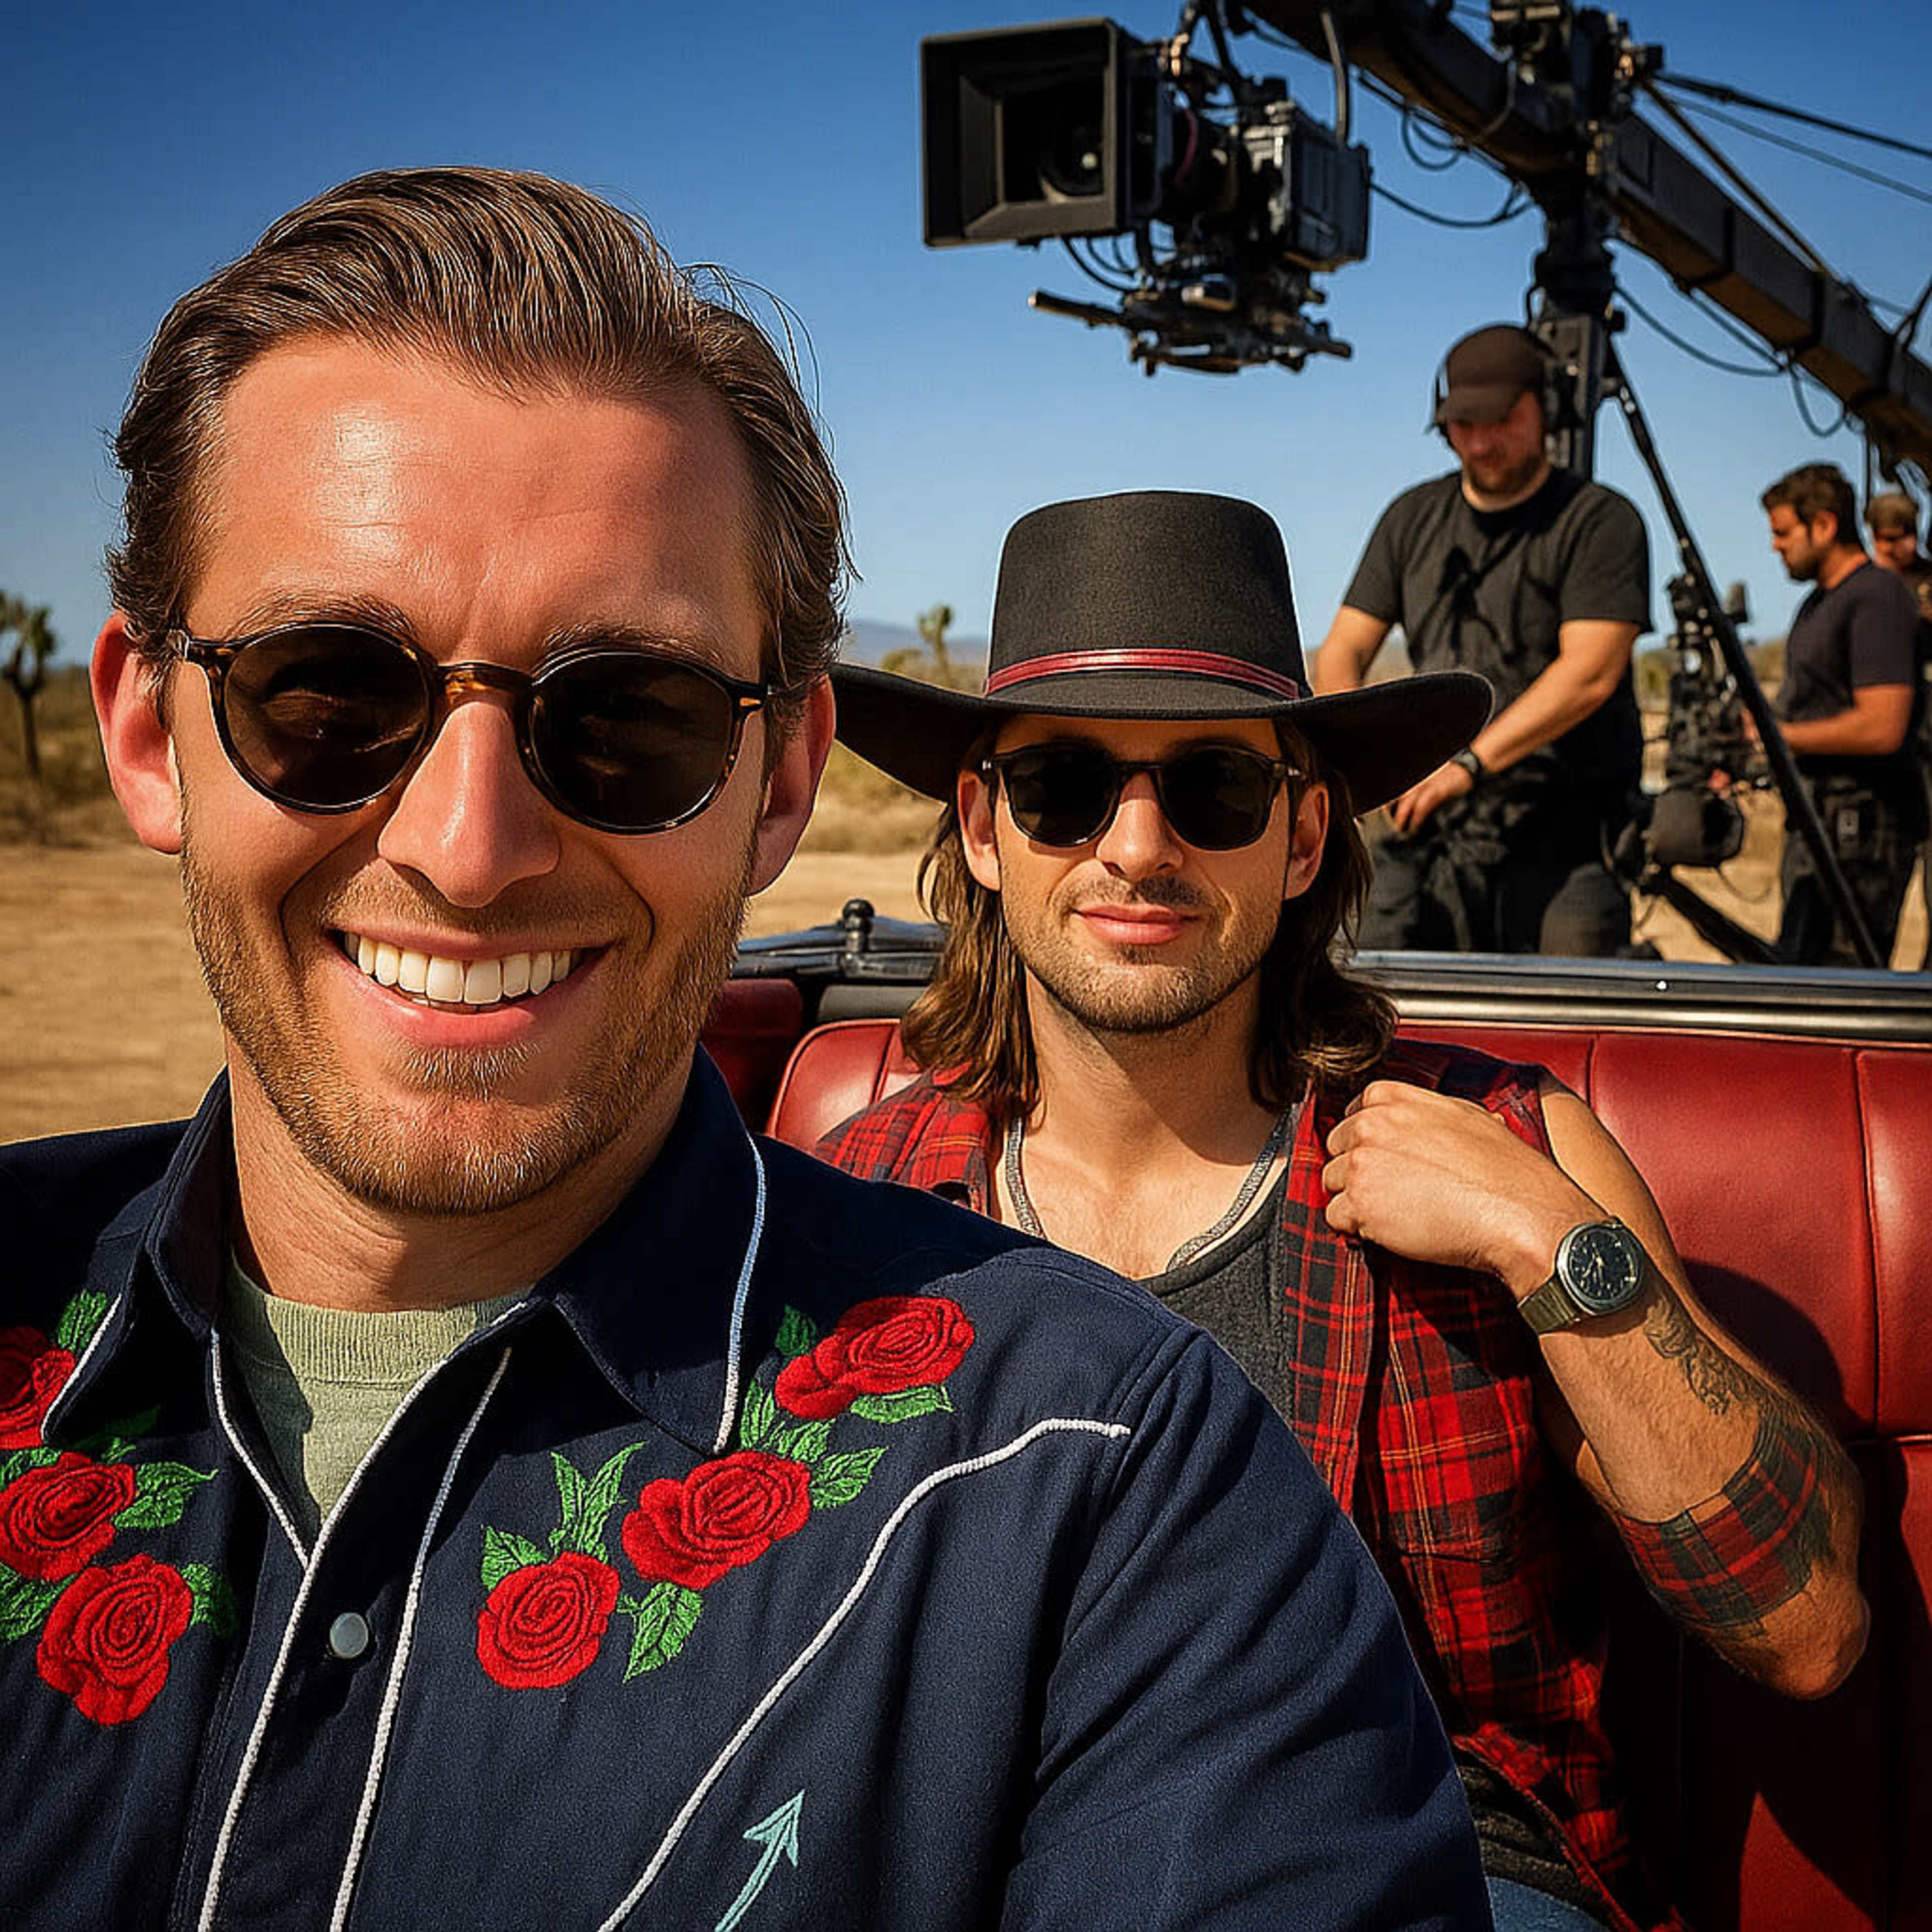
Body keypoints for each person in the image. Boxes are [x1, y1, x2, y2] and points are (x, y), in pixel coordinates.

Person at [0, 172, 1488, 1931]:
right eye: (327, 696)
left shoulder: (1110, 1468)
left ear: (783, 781)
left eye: (623, 719)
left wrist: (1580, 1263)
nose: (468, 849)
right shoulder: (915, 1171)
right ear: (150, 737)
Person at [823, 489, 1869, 1932]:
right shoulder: (863, 1201)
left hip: (1439, 1866)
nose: (1137, 849)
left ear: (1304, 837)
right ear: (984, 828)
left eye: (1214, 790)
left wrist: (1553, 1246)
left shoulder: (1507, 1149)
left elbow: (1806, 1619)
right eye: (1065, 785)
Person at [1314, 324, 1650, 956]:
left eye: (1499, 421)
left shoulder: (1600, 520)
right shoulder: (1411, 517)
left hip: (1564, 839)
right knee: (1378, 999)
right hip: (1430, 832)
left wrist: (1464, 767)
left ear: (1546, 408)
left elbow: (1591, 673)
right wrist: (1359, 755)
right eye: (1462, 426)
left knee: (1564, 1026)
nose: (1479, 442)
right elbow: (1342, 649)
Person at [1759, 463, 1923, 966]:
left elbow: (1883, 725)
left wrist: (1780, 737)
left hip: (1863, 834)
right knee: (1797, 981)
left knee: (1837, 984)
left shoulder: (1878, 597)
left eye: (1784, 532)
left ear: (1825, 526)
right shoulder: (1817, 605)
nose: (1775, 547)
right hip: (1817, 824)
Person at [1863, 491, 1932, 968]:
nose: (1896, 549)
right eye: (1886, 540)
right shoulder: (1859, 593)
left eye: (1904, 537)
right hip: (1886, 775)